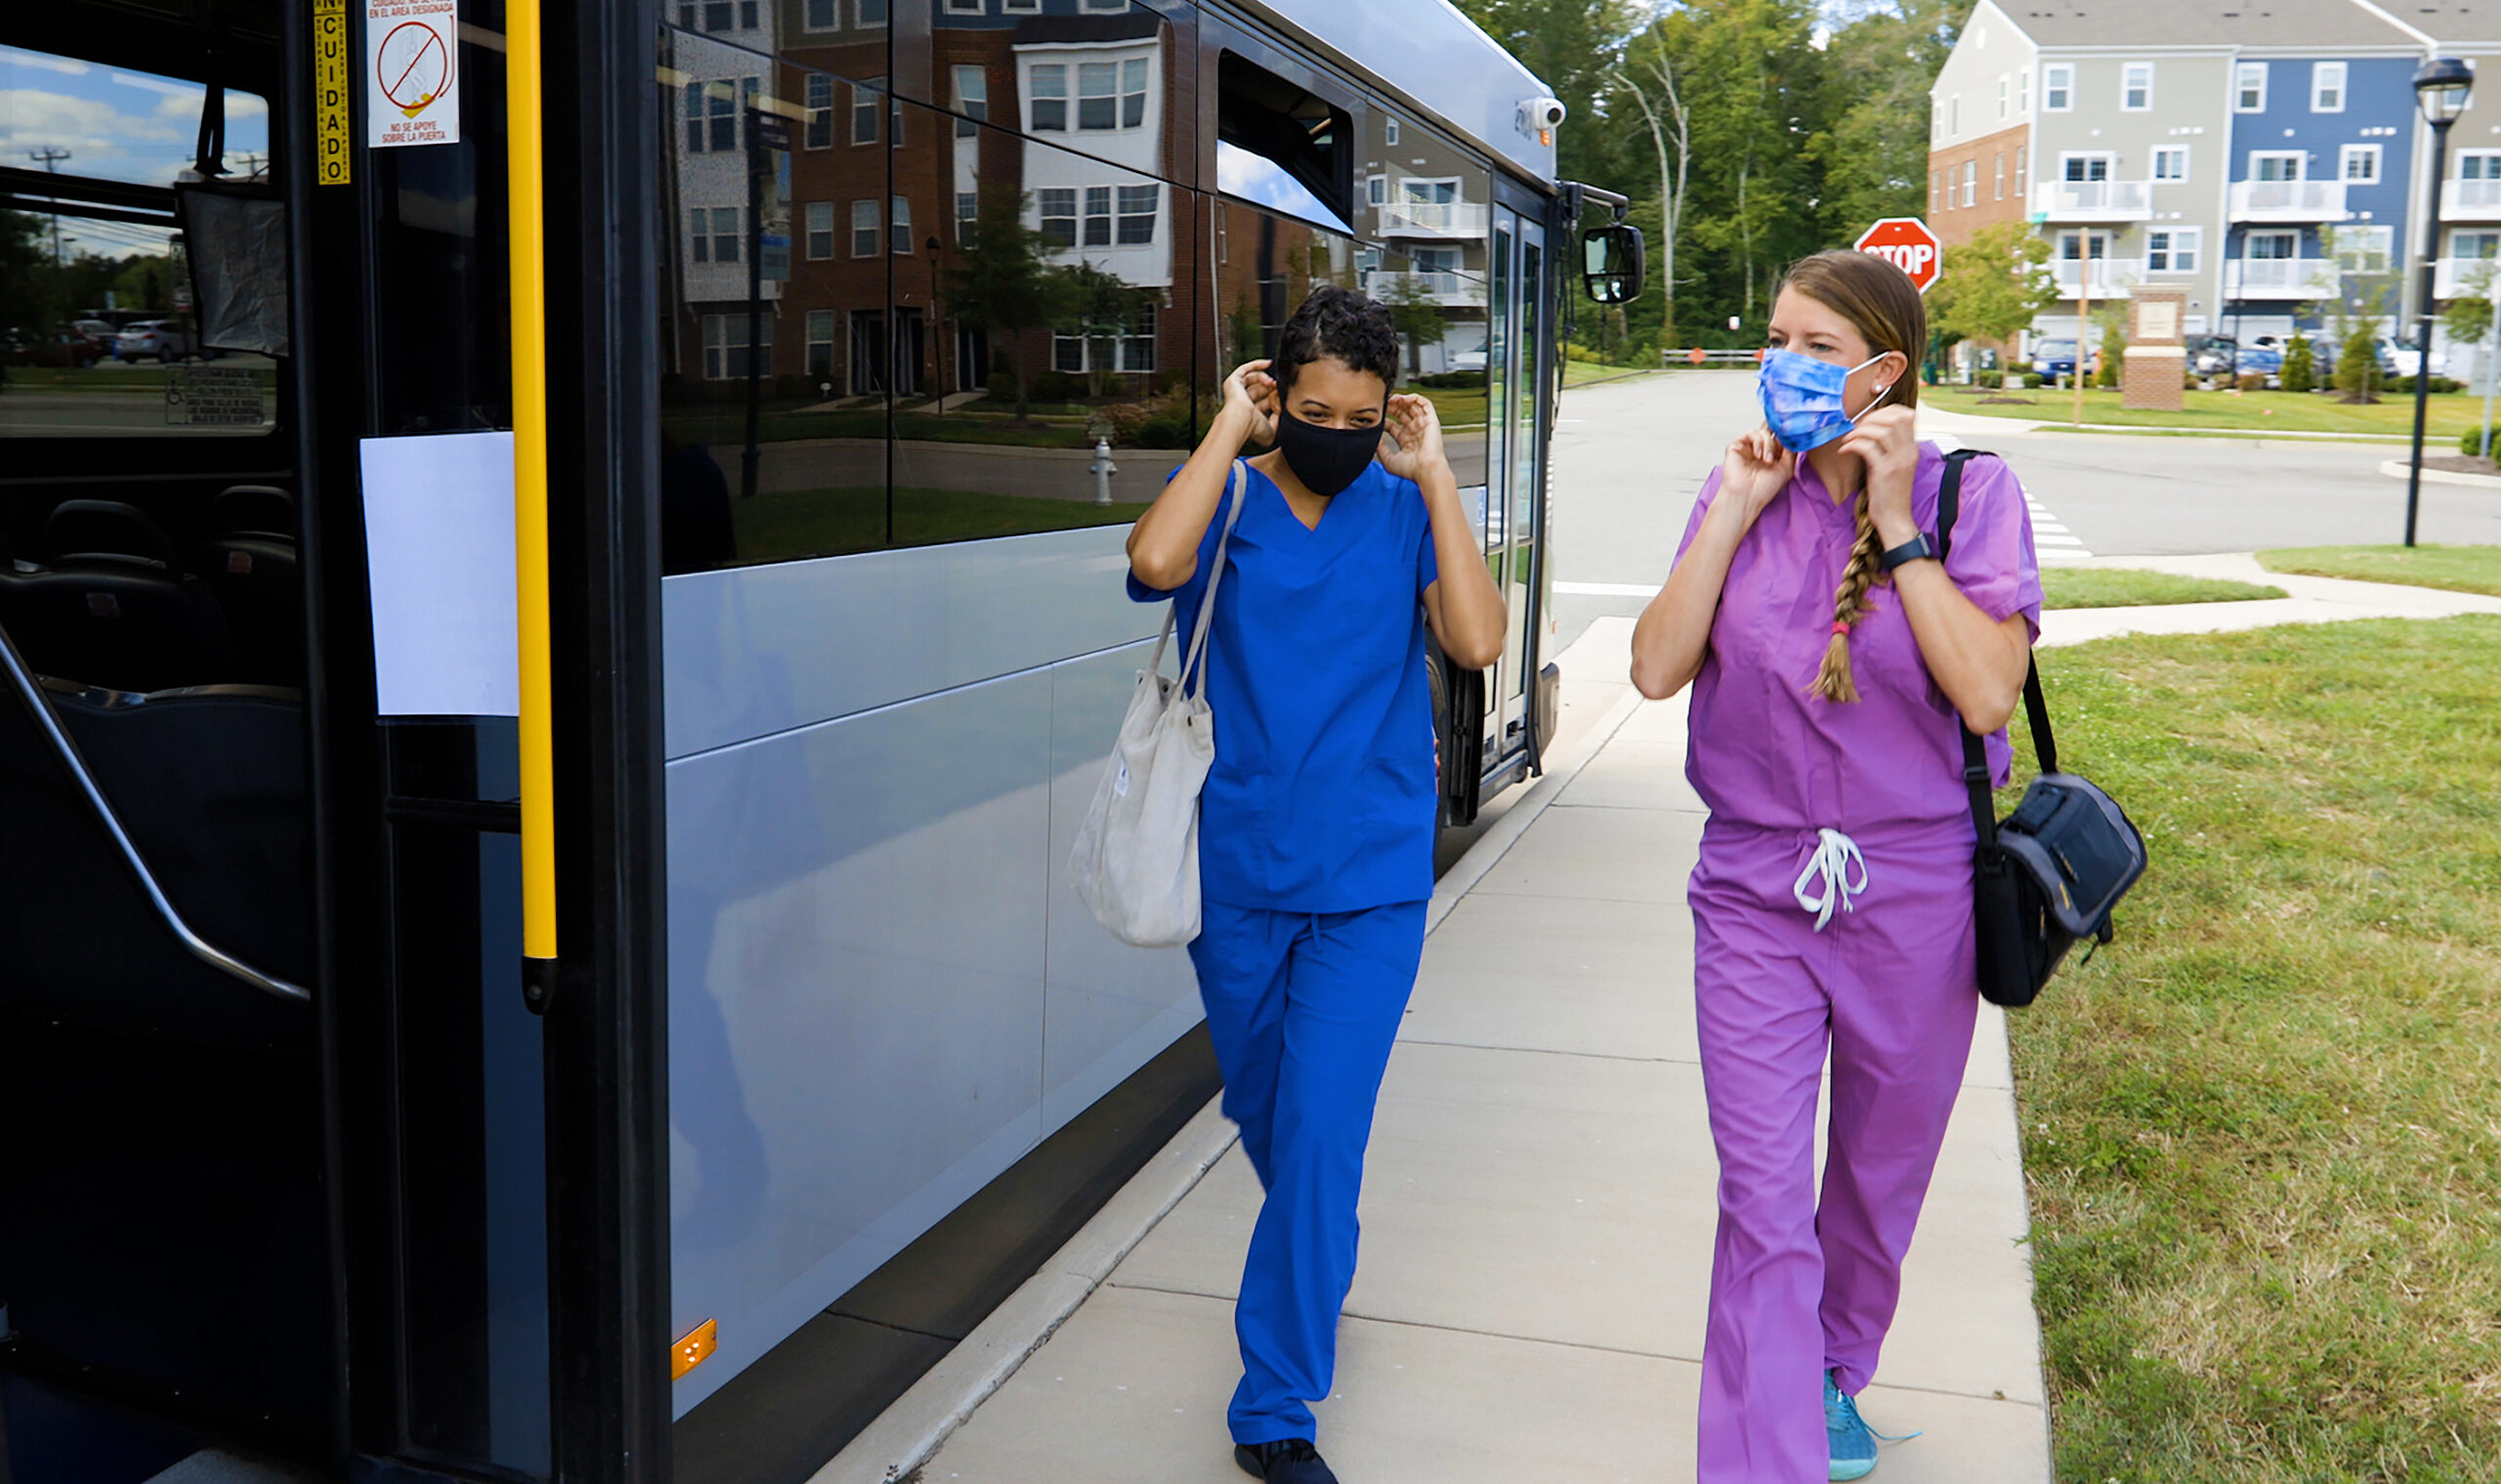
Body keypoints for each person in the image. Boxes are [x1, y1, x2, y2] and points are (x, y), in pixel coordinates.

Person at [1629, 250, 2043, 1482]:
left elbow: (1981, 691)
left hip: (1915, 895)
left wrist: (1898, 522)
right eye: (1775, 340)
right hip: (1754, 887)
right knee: (1762, 1200)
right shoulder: (1740, 491)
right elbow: (1654, 671)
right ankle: (1766, 1460)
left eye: (1816, 348)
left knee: (1872, 1184)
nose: (1785, 366)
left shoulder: (1973, 493)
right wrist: (1734, 510)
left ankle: (1826, 1374)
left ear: (1883, 372)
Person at [1123, 285, 1506, 1484]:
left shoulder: (1401, 511)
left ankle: (1274, 1408)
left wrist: (1439, 475)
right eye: (1311, 408)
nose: (1336, 429)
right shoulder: (1228, 500)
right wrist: (1224, 435)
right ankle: (1314, 1260)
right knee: (1273, 1120)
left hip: (1370, 879)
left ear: (1386, 411)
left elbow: (1480, 641)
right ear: (1276, 397)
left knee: (1325, 1134)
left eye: (1359, 411)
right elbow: (1150, 562)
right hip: (1235, 871)